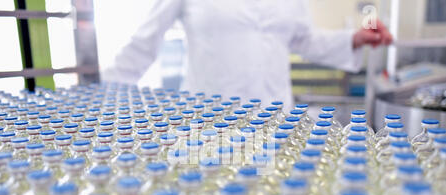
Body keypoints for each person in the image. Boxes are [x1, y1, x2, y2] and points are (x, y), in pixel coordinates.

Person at [103, 0, 392, 110]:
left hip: (276, 119)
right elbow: (144, 42)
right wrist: (104, 97)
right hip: (209, 122)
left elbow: (302, 38)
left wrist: (355, 38)